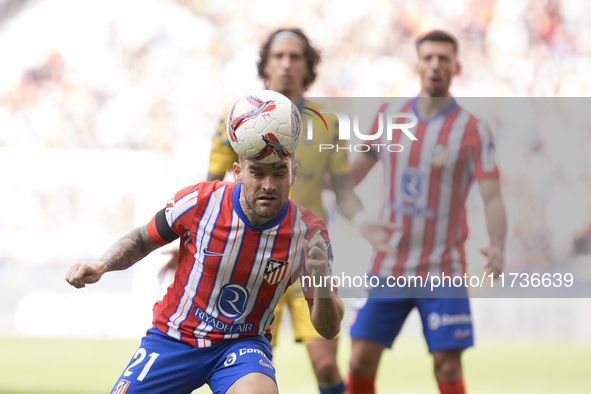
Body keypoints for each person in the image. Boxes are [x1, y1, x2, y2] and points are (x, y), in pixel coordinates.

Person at [159, 27, 395, 394]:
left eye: (295, 56)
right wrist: (182, 244)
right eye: (278, 56)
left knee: (327, 365)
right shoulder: (233, 119)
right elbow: (208, 193)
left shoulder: (327, 123)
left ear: (308, 66)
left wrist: (367, 225)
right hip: (245, 261)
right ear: (265, 64)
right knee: (241, 363)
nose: (286, 64)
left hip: (304, 258)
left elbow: (345, 193)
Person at [65, 132, 345, 393]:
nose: (268, 185)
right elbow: (142, 239)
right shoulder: (200, 200)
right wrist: (101, 265)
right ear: (238, 173)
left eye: (279, 172)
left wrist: (320, 279)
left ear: (293, 174)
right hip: (174, 338)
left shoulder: (310, 232)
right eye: (257, 173)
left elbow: (329, 329)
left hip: (243, 344)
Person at [347, 30, 507, 394]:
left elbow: (493, 196)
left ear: (457, 67)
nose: (436, 65)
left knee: (448, 367)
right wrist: (315, 175)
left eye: (444, 59)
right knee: (359, 360)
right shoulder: (388, 116)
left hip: (443, 269)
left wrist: (497, 244)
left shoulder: (473, 130)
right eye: (429, 57)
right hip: (388, 265)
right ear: (417, 65)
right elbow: (351, 175)